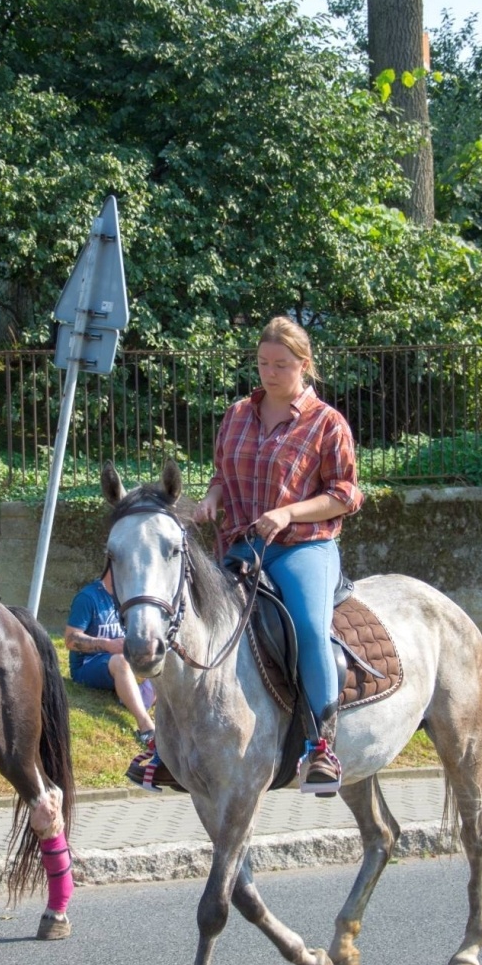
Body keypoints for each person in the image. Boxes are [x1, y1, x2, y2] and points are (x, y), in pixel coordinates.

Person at [191, 316, 363, 795]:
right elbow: (222, 474)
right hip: (241, 545)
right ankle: (171, 744)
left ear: (303, 365)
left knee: (308, 627)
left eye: (281, 365)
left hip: (303, 546)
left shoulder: (327, 422)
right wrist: (212, 499)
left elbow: (346, 494)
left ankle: (320, 747)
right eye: (264, 363)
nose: (269, 373)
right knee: (192, 619)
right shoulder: (236, 414)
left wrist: (288, 514)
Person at [65, 566, 157, 746]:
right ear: (113, 568)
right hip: (87, 665)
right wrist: (107, 645)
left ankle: (136, 697)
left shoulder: (128, 598)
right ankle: (145, 726)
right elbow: (70, 639)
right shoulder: (88, 597)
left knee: (164, 654)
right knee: (120, 661)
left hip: (121, 664)